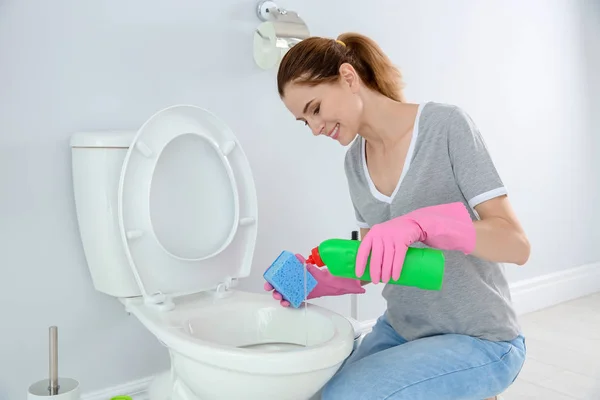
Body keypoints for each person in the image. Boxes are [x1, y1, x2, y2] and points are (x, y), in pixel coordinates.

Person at [263, 32, 529, 400]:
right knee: (310, 390)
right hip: (402, 329)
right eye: (303, 121)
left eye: (315, 108)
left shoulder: (445, 126)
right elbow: (376, 260)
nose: (314, 127)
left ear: (348, 78)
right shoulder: (355, 164)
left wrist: (424, 225)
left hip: (480, 336)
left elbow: (517, 245)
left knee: (349, 397)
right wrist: (321, 281)